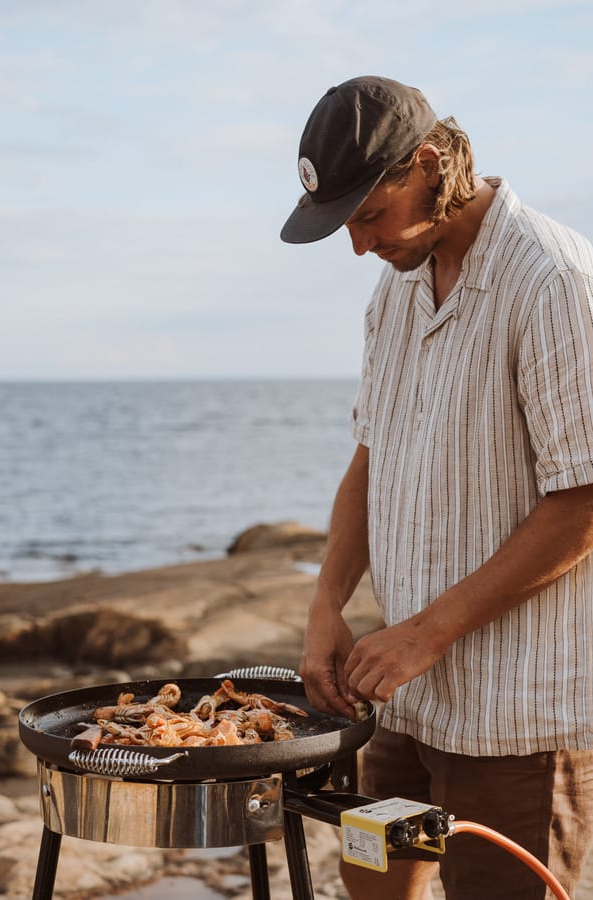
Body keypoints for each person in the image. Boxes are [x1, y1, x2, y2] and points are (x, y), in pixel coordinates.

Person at [280, 75, 593, 900]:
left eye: (368, 218)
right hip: (403, 706)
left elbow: (585, 501)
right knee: (370, 888)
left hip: (519, 716)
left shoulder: (554, 279)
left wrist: (427, 632)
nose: (357, 248)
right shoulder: (395, 289)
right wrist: (326, 608)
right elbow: (369, 460)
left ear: (428, 164)